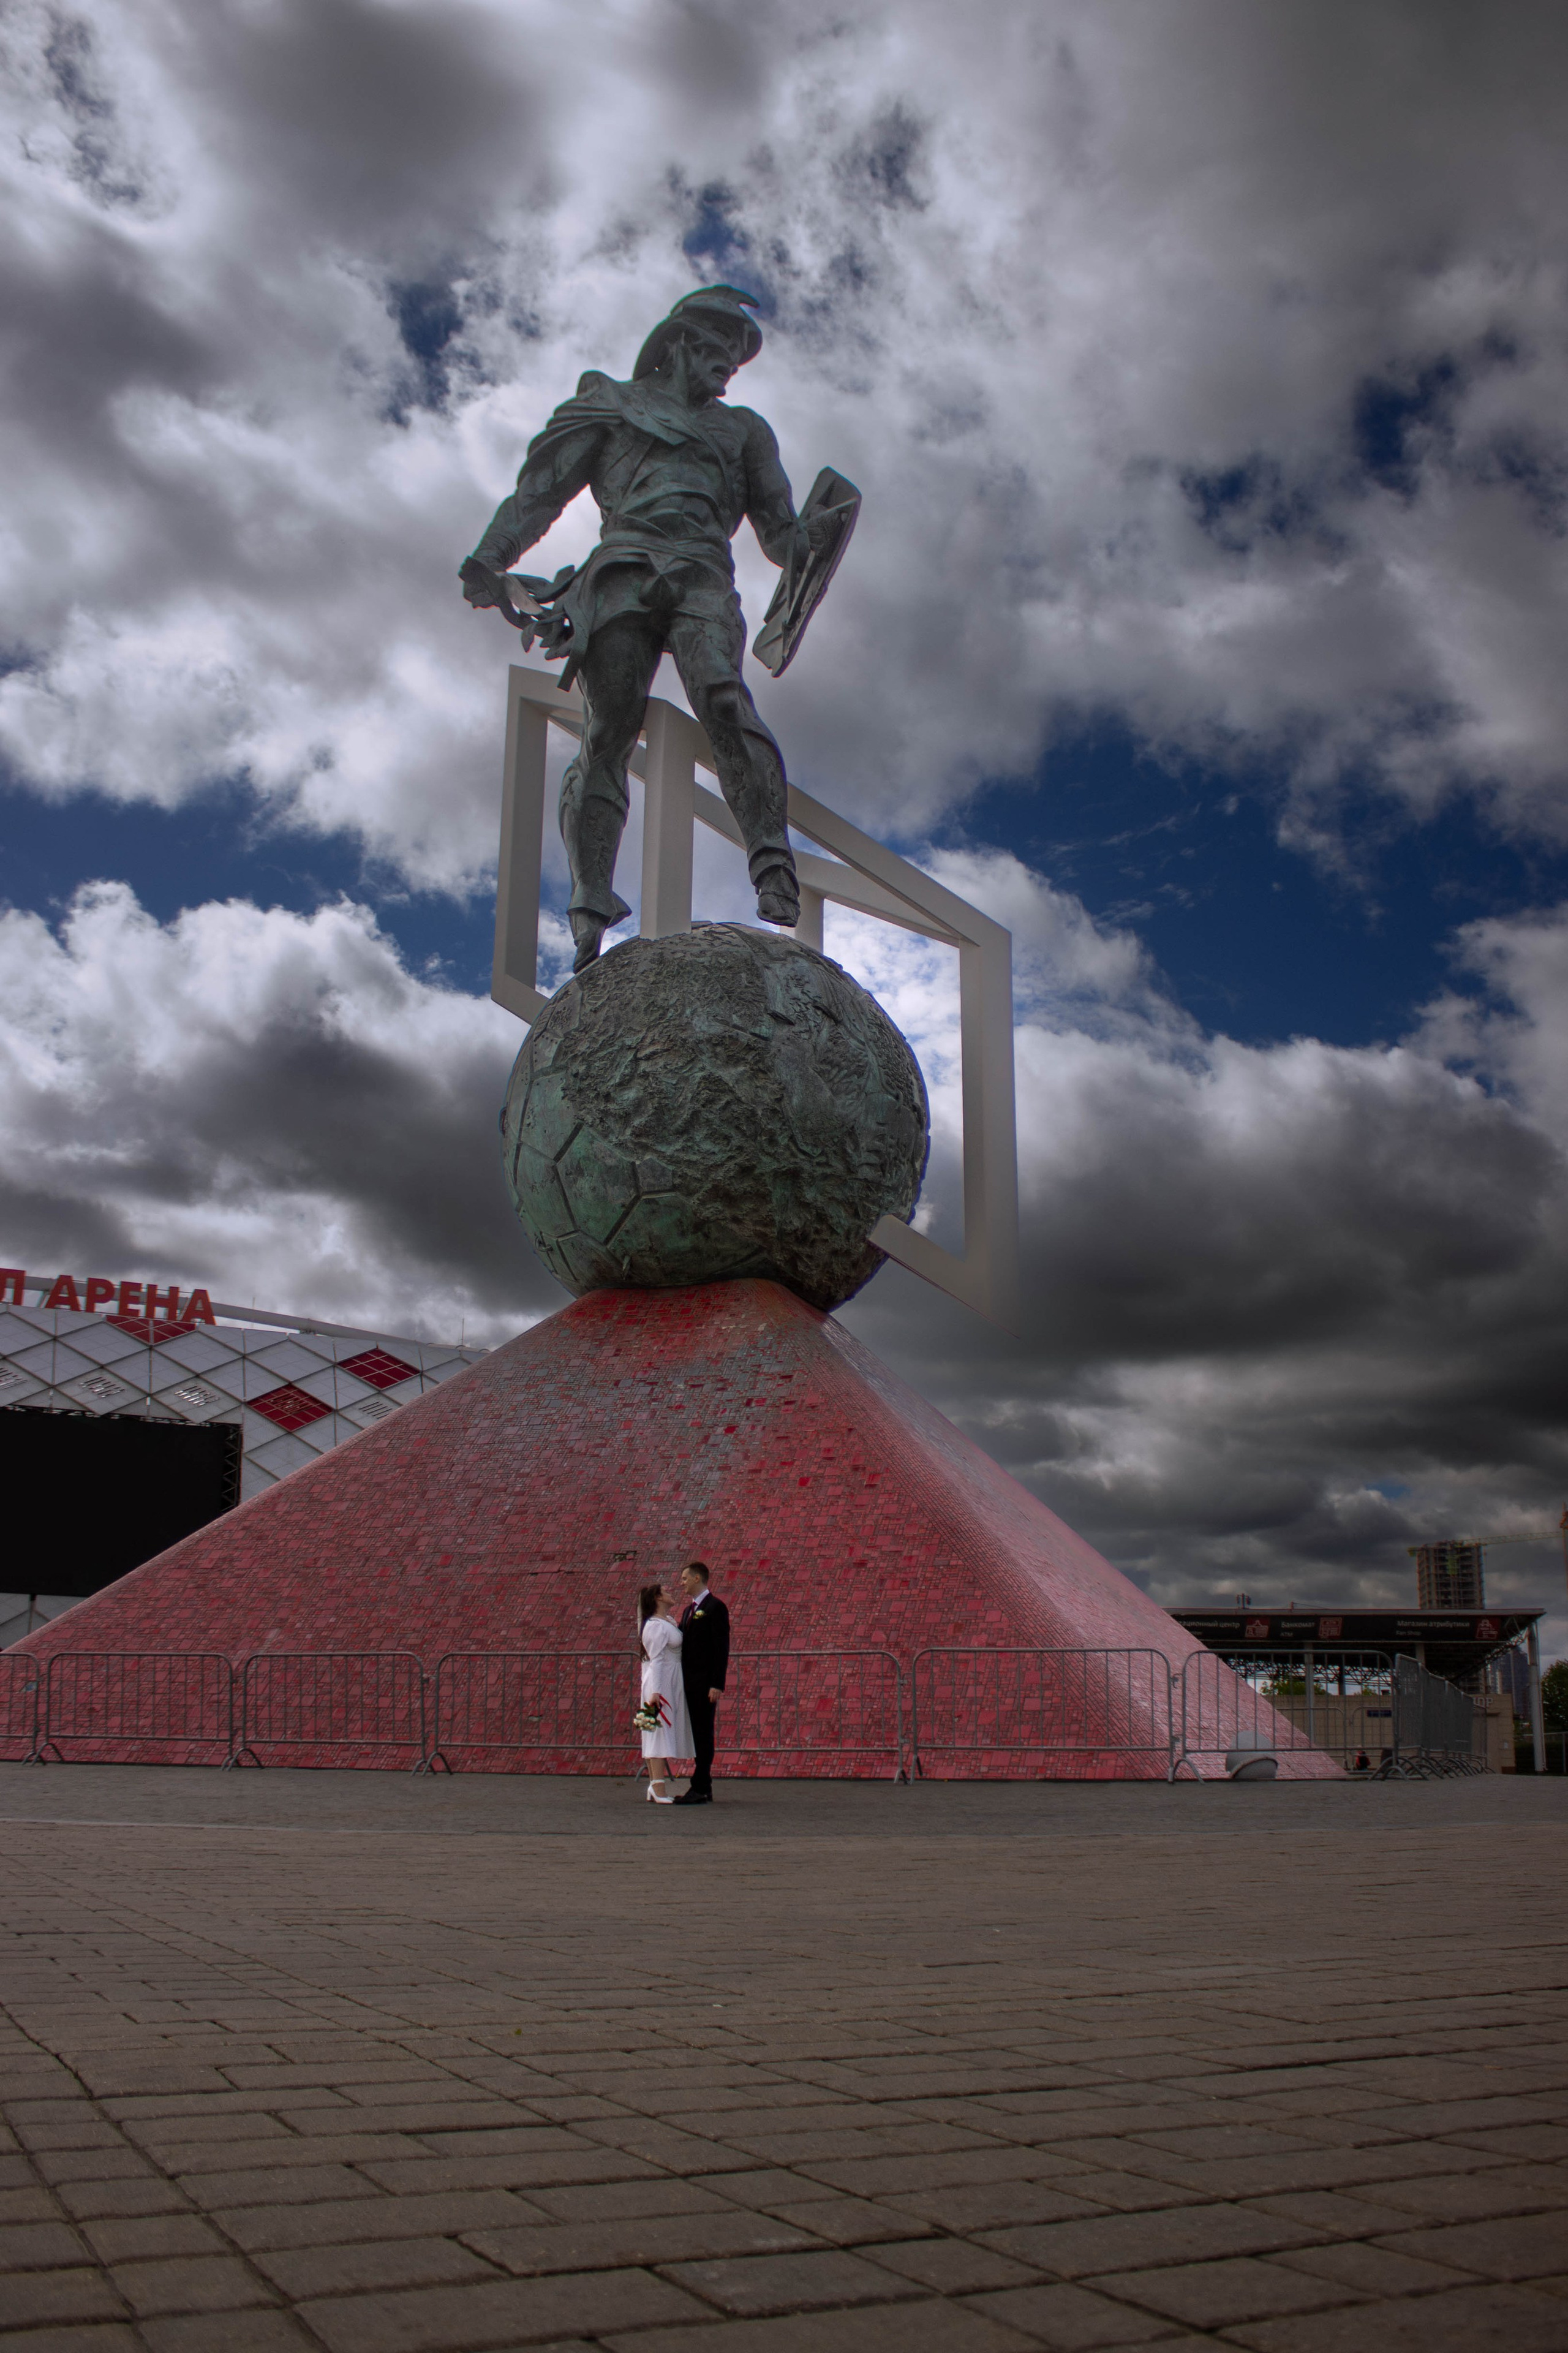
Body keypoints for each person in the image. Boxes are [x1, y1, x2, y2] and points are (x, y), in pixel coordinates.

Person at [461, 285, 839, 970]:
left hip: (702, 575)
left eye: (737, 357)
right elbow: (540, 492)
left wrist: (811, 540)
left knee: (723, 697)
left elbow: (778, 534)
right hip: (621, 572)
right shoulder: (611, 403)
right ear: (681, 342)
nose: (729, 366)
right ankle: (589, 901)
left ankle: (772, 862)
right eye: (720, 349)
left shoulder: (744, 431)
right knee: (607, 729)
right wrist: (492, 555)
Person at [671, 1559, 728, 1805]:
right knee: (697, 1734)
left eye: (685, 1578)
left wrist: (717, 1683)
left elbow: (721, 1647)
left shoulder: (715, 1607)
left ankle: (700, 1786)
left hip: (705, 1683)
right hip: (690, 1683)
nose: (682, 1582)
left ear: (697, 1578)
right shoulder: (688, 1611)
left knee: (703, 1733)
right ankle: (705, 1785)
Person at [636, 1582, 692, 1803]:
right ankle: (658, 1787)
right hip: (661, 1683)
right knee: (657, 1731)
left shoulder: (665, 1622)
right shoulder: (655, 1626)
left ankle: (655, 1785)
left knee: (654, 1729)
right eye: (666, 1592)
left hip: (668, 1679)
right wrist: (656, 1692)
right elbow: (656, 1660)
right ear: (658, 1598)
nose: (670, 1594)